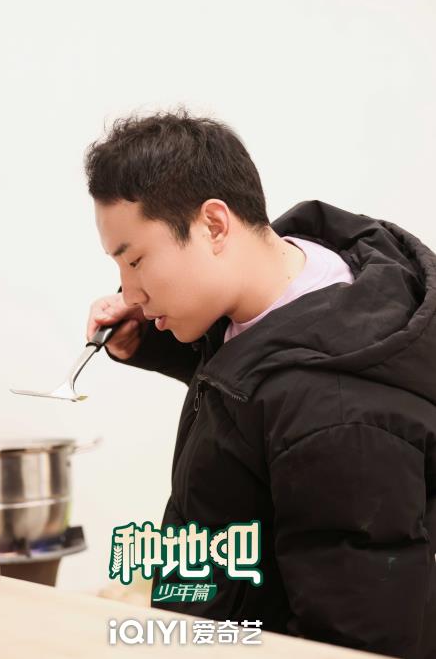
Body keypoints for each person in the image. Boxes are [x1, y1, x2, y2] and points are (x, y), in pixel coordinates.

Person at [84, 109, 436, 659]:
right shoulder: (292, 284)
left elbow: (353, 642)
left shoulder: (339, 419)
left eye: (137, 261)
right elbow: (256, 387)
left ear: (214, 225)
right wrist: (149, 338)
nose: (129, 292)